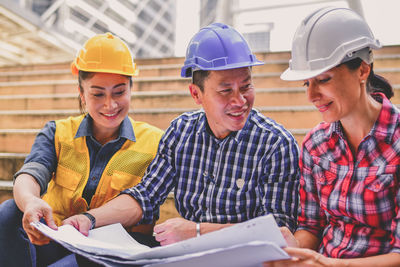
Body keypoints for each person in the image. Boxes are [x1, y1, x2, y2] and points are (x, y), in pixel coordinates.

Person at [62, 22, 300, 256]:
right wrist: (89, 219)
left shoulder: (275, 144)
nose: (240, 101)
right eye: (226, 91)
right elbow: (145, 195)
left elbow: (279, 233)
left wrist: (197, 232)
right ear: (196, 94)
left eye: (246, 86)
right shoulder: (181, 132)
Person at [0, 32, 164, 267]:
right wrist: (30, 201)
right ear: (82, 94)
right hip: (56, 238)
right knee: (8, 212)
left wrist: (89, 220)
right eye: (98, 94)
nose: (110, 104)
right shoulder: (58, 132)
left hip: (113, 250)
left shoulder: (156, 142)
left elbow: (143, 203)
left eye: (119, 92)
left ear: (131, 88)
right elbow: (32, 172)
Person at [268, 7, 400, 266]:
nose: (311, 96)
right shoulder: (315, 144)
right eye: (307, 83)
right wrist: (293, 249)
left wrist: (332, 265)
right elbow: (311, 226)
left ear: (362, 71)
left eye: (323, 79)